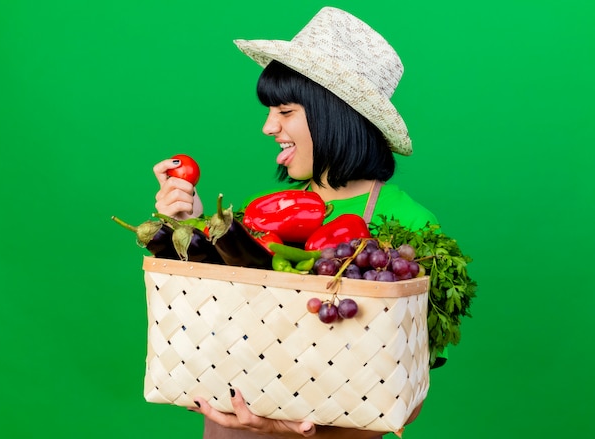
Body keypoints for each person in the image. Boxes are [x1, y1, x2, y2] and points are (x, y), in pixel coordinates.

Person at [152, 7, 440, 438]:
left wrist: (280, 428)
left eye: (285, 111)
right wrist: (189, 227)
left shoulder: (412, 226)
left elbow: (404, 399)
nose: (269, 127)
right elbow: (222, 320)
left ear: (334, 114)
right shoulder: (260, 210)